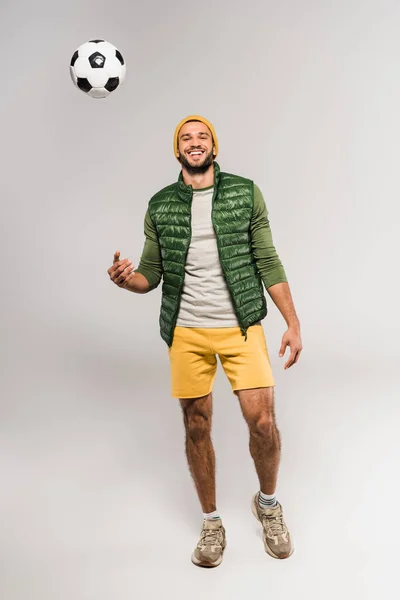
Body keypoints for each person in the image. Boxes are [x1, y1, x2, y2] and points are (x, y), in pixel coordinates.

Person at [107, 115, 303, 568]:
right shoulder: (160, 205)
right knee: (196, 425)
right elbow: (149, 276)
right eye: (186, 138)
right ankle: (211, 522)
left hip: (242, 326)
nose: (195, 143)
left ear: (214, 146)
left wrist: (292, 322)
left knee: (263, 424)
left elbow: (267, 258)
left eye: (202, 136)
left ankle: (268, 506)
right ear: (177, 151)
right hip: (187, 331)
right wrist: (126, 280)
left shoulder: (244, 192)